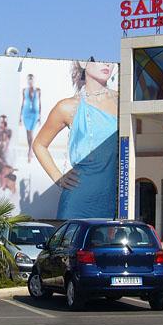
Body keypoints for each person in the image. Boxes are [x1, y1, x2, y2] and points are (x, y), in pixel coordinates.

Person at [32, 60, 118, 219]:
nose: (107, 64)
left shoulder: (122, 101)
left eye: (110, 60)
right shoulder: (67, 107)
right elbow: (39, 144)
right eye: (99, 60)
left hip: (113, 200)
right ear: (83, 63)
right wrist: (58, 177)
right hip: (77, 201)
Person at [19, 74, 41, 162]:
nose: (30, 81)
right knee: (28, 133)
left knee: (31, 132)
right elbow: (22, 103)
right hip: (26, 112)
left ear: (34, 80)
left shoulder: (38, 90)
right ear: (27, 81)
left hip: (34, 113)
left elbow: (40, 103)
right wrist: (20, 117)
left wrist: (40, 116)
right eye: (29, 79)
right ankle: (30, 149)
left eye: (31, 79)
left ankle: (30, 151)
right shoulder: (24, 90)